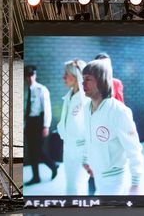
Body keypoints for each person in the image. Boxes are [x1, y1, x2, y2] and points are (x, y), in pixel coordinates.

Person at [81, 58, 143, 195]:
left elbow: (134, 149)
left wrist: (136, 183)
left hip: (115, 179)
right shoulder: (86, 108)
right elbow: (88, 137)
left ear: (101, 81)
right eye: (83, 79)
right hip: (96, 174)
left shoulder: (119, 111)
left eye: (88, 79)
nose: (83, 83)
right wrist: (86, 159)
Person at [57, 59, 90, 195]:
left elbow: (90, 130)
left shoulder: (87, 99)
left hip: (82, 151)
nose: (63, 77)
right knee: (70, 186)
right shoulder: (69, 97)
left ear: (76, 76)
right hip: (68, 148)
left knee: (77, 187)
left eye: (66, 74)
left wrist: (86, 156)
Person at [23, 65, 57, 185]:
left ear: (35, 75)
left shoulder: (42, 89)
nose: (30, 78)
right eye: (27, 76)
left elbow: (47, 109)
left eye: (31, 75)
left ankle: (53, 166)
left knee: (38, 151)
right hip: (29, 123)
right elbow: (24, 109)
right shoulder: (25, 91)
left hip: (39, 123)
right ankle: (36, 177)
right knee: (31, 151)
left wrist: (46, 126)